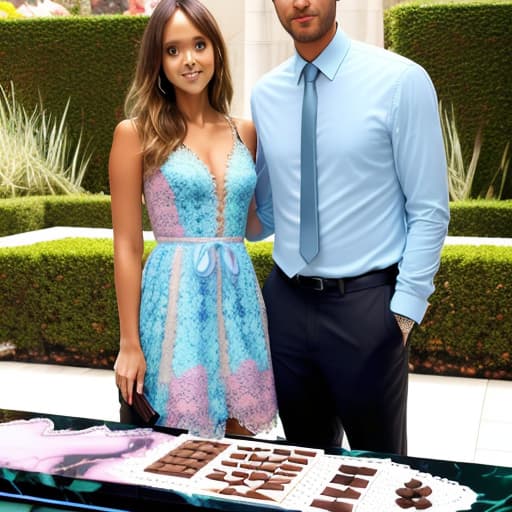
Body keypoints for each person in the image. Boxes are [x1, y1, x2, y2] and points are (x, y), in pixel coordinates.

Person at [249, 0, 450, 455]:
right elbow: (266, 216)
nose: (300, 2)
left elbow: (430, 209)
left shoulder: (401, 81)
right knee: (302, 468)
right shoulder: (265, 94)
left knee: (379, 474)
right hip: (285, 305)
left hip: (366, 310)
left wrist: (403, 314)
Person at [109, 0, 278, 439]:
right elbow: (126, 245)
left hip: (239, 305)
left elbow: (257, 221)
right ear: (158, 62)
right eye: (173, 49)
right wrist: (129, 344)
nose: (189, 60)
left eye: (199, 45)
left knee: (244, 454)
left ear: (215, 51)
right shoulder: (136, 134)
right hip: (174, 307)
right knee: (176, 454)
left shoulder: (247, 131)